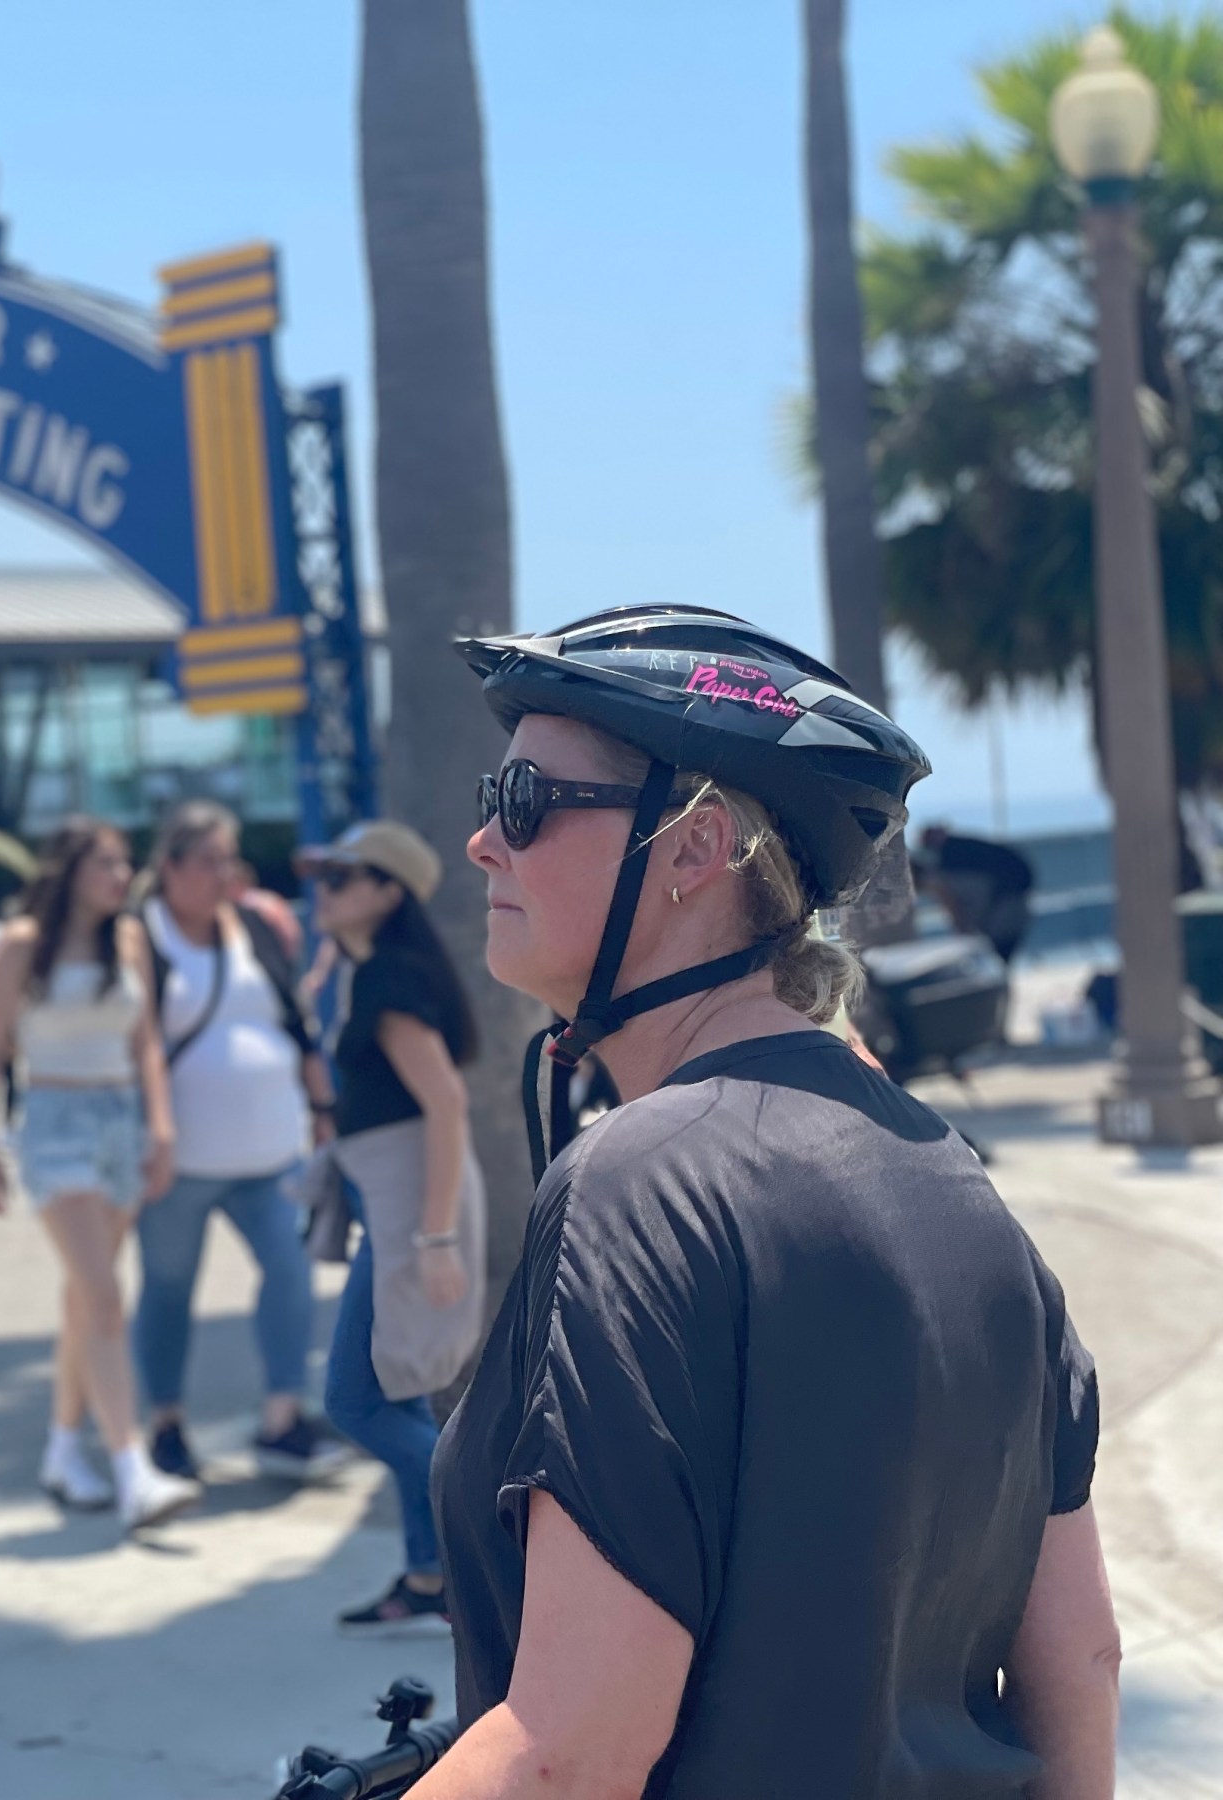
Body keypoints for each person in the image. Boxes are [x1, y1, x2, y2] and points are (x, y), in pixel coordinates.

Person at [416, 608, 1114, 1795]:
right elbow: (1081, 1660)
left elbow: (570, 1751)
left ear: (691, 852)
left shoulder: (640, 1182)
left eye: (526, 799)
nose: (486, 841)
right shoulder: (955, 1182)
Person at [0, 819, 200, 1532]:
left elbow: (148, 1042)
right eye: (106, 863)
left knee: (83, 1297)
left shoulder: (127, 939)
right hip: (55, 1119)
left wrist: (160, 1128)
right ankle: (133, 1468)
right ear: (69, 870)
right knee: (103, 1293)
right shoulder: (21, 945)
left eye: (124, 861)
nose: (121, 874)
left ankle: (63, 1450)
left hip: (120, 1121)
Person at [302, 821, 481, 1635]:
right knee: (398, 1393)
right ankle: (429, 1576)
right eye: (323, 877)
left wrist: (436, 1238)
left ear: (388, 893)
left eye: (343, 877)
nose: (324, 890)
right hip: (400, 1198)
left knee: (357, 1400)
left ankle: (482, 1533)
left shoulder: (389, 982)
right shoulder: (369, 973)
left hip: (414, 1205)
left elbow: (445, 1103)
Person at [132, 801, 344, 1482]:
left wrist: (321, 1106)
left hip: (271, 1149)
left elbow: (296, 1022)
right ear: (169, 868)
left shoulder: (252, 925)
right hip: (179, 1158)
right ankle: (164, 1422)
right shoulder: (143, 937)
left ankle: (282, 1417)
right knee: (168, 1288)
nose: (224, 873)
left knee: (289, 1269)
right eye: (208, 860)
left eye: (229, 858)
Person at [917, 823, 1036, 964]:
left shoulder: (951, 863)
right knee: (998, 960)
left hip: (1006, 904)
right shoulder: (961, 852)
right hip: (1012, 901)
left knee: (997, 958)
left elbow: (960, 900)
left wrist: (968, 927)